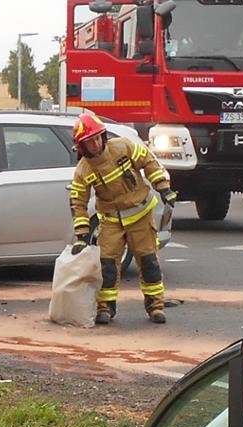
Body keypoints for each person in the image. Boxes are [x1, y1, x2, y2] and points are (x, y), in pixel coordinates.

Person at [69, 113, 176, 325]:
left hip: (140, 215)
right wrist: (81, 235)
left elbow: (148, 161)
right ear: (82, 146)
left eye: (98, 138)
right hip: (111, 221)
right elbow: (77, 203)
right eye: (90, 142)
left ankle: (155, 306)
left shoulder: (123, 147)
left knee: (149, 263)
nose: (96, 143)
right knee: (107, 266)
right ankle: (106, 308)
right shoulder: (83, 170)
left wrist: (163, 188)